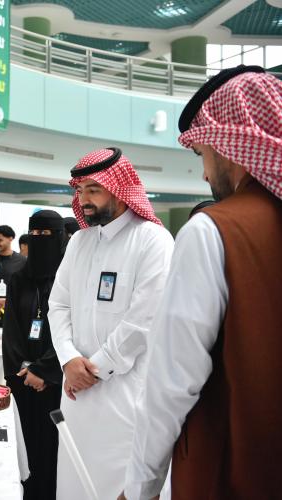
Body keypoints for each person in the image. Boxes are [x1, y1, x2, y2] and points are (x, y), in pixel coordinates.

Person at [121, 66, 282, 500]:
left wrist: (139, 489)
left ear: (230, 146)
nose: (205, 175)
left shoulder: (213, 230)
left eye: (203, 155)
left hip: (227, 475)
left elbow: (171, 384)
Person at [47, 147, 174, 500]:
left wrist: (94, 369)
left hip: (124, 398)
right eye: (79, 191)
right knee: (73, 485)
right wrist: (68, 359)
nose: (84, 200)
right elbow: (58, 305)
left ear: (119, 189)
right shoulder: (79, 242)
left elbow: (144, 321)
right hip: (76, 395)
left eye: (93, 190)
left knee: (118, 486)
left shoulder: (153, 241)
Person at [2, 210, 66, 500]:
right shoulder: (19, 279)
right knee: (25, 445)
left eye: (46, 234)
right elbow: (12, 329)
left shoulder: (67, 279)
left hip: (56, 382)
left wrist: (45, 370)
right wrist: (22, 370)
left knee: (52, 448)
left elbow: (71, 330)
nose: (39, 239)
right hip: (24, 381)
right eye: (35, 234)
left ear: (59, 237)